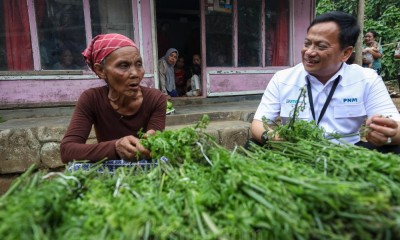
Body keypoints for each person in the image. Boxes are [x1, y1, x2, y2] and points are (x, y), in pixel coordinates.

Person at [250, 11, 400, 153]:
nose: (309, 52)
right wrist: (273, 137)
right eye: (307, 44)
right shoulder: (283, 78)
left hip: (347, 153)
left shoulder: (367, 79)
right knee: (252, 145)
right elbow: (258, 124)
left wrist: (387, 135)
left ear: (346, 53)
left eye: (321, 46)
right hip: (294, 151)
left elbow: (396, 126)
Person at [60, 33, 167, 165]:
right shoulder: (92, 99)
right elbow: (67, 151)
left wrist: (152, 138)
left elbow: (154, 136)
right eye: (123, 65)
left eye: (138, 64)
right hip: (108, 173)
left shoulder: (156, 99)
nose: (135, 73)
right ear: (100, 70)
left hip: (145, 173)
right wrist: (115, 147)